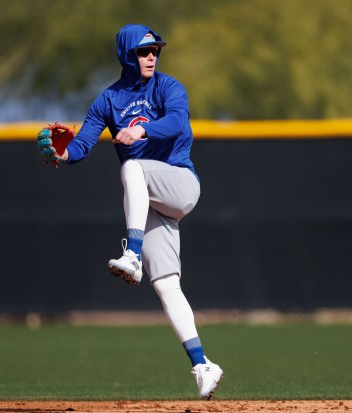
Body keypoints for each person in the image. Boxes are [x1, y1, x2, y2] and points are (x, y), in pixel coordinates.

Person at [43, 24, 223, 400]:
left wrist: (141, 133)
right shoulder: (107, 101)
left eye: (155, 50)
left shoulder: (168, 87)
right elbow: (85, 143)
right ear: (127, 54)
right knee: (166, 285)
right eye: (144, 51)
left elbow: (177, 121)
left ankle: (132, 253)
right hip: (151, 202)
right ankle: (203, 364)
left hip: (180, 183)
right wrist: (64, 153)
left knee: (131, 168)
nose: (152, 56)